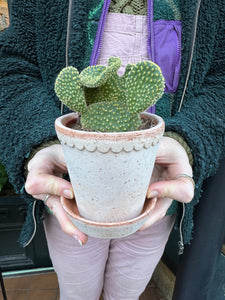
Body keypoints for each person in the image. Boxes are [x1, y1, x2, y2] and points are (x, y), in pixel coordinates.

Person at [0, 0, 224, 299]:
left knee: (127, 293)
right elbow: (15, 63)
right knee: (76, 293)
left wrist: (188, 140)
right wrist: (39, 139)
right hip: (69, 185)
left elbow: (219, 76)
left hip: (157, 191)